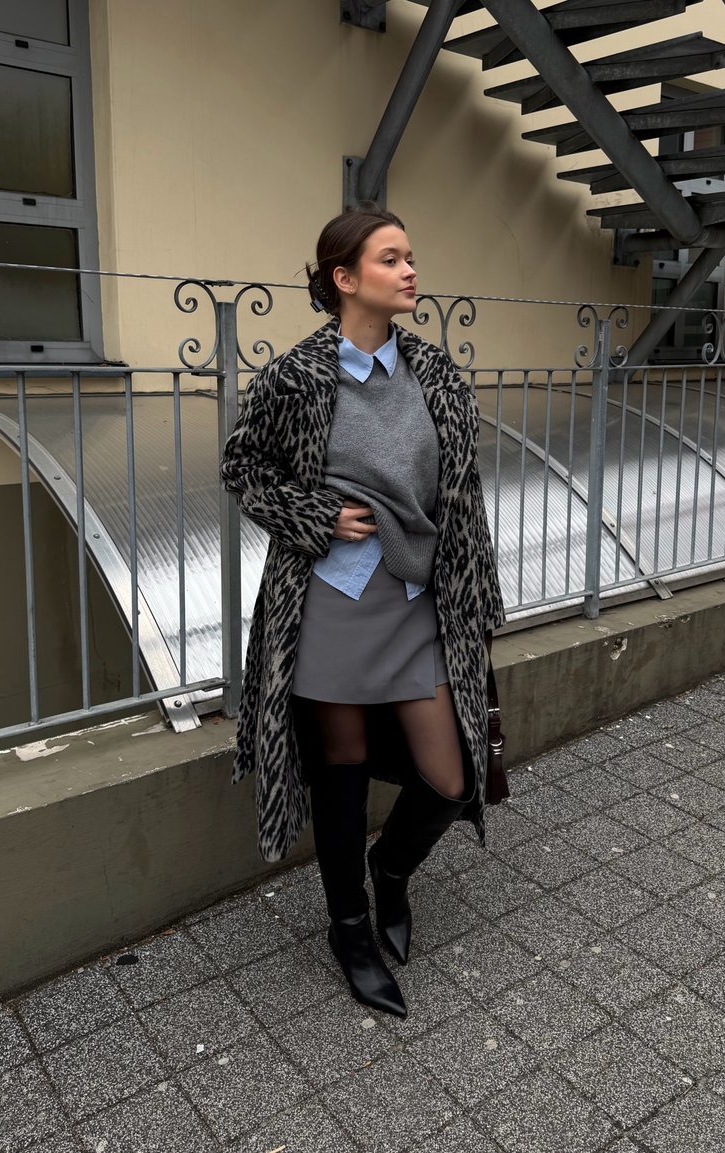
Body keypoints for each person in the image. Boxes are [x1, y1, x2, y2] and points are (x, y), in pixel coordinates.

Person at [220, 206, 505, 1018]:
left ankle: (391, 871)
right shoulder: (297, 376)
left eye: (411, 255)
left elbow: (464, 494)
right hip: (331, 601)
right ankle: (349, 927)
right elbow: (243, 468)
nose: (411, 269)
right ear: (345, 279)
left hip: (420, 602)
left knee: (451, 776)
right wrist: (313, 514)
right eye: (391, 258)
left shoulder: (435, 373)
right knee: (337, 774)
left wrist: (477, 597)